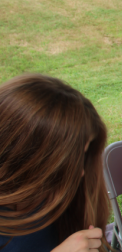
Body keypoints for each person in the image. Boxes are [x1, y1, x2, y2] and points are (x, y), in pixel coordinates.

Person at [0, 74, 111, 252]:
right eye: (65, 163)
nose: (81, 172)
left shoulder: (59, 198)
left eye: (83, 155)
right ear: (21, 157)